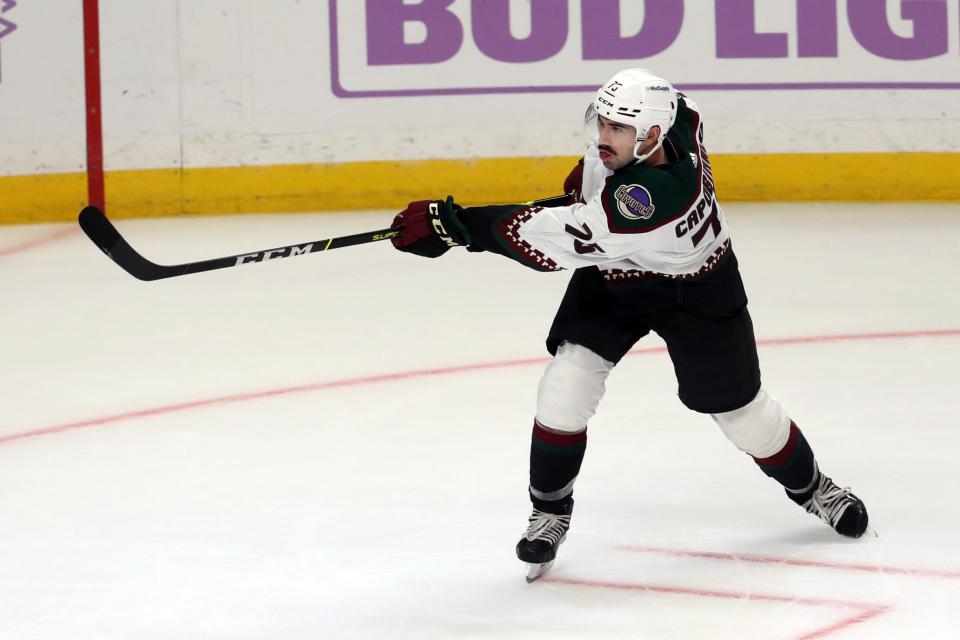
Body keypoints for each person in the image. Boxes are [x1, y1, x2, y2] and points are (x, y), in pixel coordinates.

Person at [389, 68, 869, 582]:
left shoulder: (652, 195)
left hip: (696, 289)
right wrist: (587, 183)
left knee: (742, 416)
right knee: (565, 384)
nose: (603, 137)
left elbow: (552, 243)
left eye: (618, 129)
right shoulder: (675, 118)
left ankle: (813, 487)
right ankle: (550, 511)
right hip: (618, 275)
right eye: (604, 122)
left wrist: (453, 224)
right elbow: (674, 105)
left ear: (653, 137)